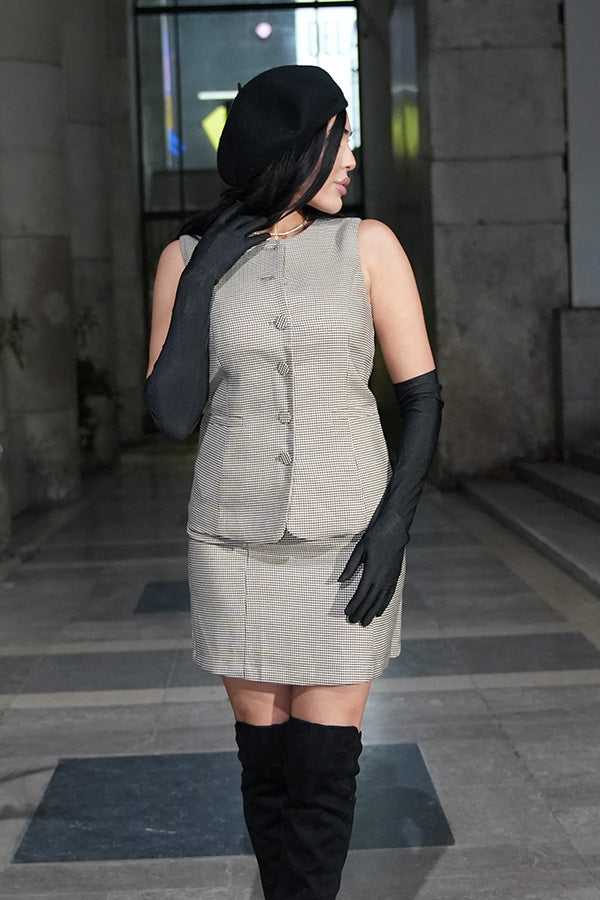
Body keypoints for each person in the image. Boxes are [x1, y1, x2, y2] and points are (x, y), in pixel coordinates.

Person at [145, 65, 442, 900]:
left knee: (322, 772)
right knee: (269, 774)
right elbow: (171, 414)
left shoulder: (368, 246)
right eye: (337, 140)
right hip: (233, 547)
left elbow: (422, 399)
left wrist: (393, 527)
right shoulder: (184, 259)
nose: (350, 158)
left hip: (347, 546)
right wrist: (204, 275)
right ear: (292, 148)